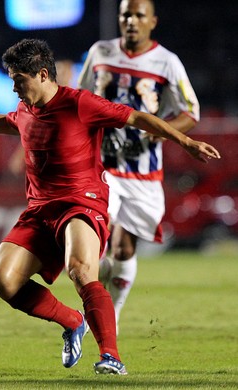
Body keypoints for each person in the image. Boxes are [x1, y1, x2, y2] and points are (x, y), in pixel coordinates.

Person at [0, 39, 219, 375]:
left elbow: (138, 116)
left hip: (83, 202)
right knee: (3, 281)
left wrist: (186, 142)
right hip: (39, 210)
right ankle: (72, 322)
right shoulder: (27, 108)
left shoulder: (80, 104)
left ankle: (111, 356)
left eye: (18, 80)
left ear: (42, 74)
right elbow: (9, 122)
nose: (14, 88)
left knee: (81, 269)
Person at [77, 0, 200, 331]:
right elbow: (79, 100)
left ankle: (110, 313)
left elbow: (190, 112)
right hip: (100, 166)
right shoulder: (100, 52)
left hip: (142, 171)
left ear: (153, 21)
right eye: (125, 15)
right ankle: (99, 314)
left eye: (138, 15)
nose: (131, 21)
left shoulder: (167, 62)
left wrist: (159, 136)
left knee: (122, 248)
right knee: (97, 240)